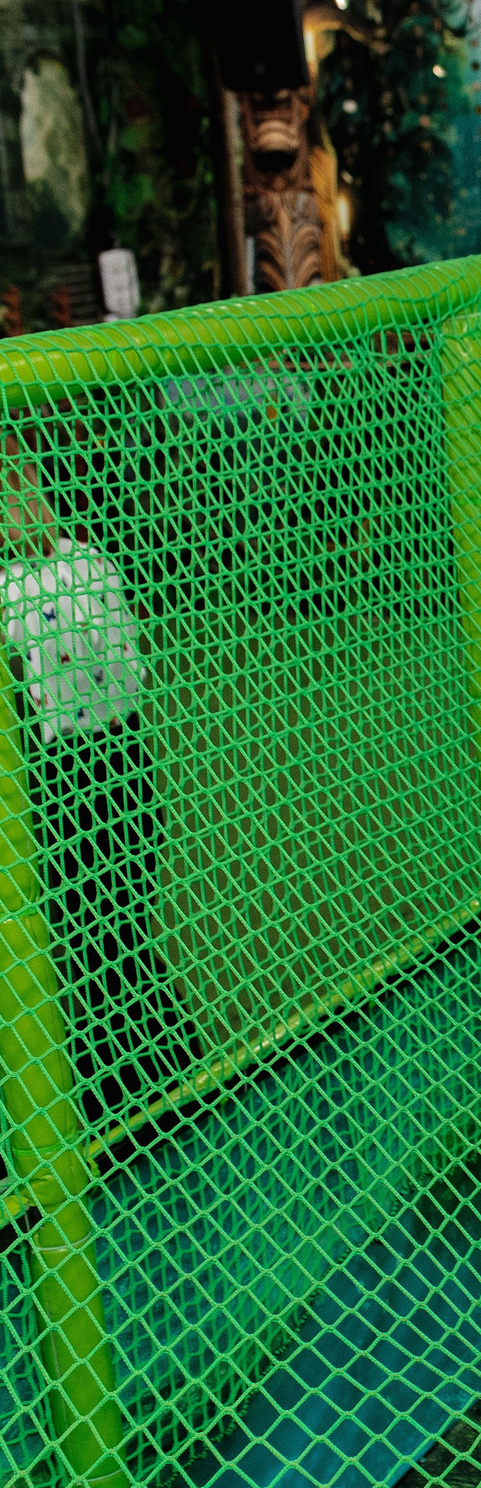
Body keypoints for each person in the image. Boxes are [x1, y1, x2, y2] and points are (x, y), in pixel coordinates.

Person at [0, 428, 198, 1124]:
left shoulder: (89, 561)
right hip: (55, 779)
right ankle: (107, 1090)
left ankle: (170, 1074)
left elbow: (122, 659)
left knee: (123, 925)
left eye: (27, 482)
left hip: (120, 759)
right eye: (8, 490)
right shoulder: (6, 587)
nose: (21, 500)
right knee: (76, 942)